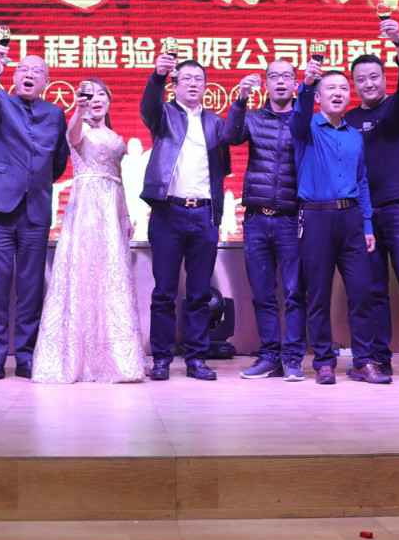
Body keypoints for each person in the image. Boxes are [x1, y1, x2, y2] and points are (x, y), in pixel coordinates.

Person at [0, 50, 70, 382]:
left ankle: (26, 356)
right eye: (23, 69)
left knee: (30, 289)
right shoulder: (0, 103)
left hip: (35, 210)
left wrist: (35, 183)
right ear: (14, 77)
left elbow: (59, 160)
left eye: (36, 71)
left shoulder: (55, 114)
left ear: (46, 82)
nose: (29, 74)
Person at [34, 79, 146, 383]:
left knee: (110, 276)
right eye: (90, 95)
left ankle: (112, 359)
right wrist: (78, 111)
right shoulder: (79, 128)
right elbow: (72, 137)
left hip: (112, 207)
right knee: (83, 272)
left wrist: (125, 215)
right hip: (86, 208)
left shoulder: (115, 136)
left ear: (109, 100)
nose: (96, 100)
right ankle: (75, 358)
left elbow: (118, 178)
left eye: (101, 95)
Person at [346, 19, 399, 383]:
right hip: (365, 214)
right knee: (374, 291)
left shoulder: (397, 106)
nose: (368, 84)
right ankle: (380, 360)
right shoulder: (348, 119)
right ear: (354, 84)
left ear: (384, 78)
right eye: (361, 79)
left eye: (374, 77)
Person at [141, 53, 232, 382]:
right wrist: (157, 76)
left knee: (199, 293)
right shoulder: (164, 115)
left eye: (199, 79)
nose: (193, 84)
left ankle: (196, 358)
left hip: (204, 213)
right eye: (187, 79)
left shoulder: (215, 122)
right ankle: (162, 358)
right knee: (164, 292)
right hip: (168, 212)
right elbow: (148, 107)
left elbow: (228, 152)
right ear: (175, 85)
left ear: (206, 86)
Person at [292, 60, 376, 386]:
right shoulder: (306, 128)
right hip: (316, 217)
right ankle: (324, 362)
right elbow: (300, 113)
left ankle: (363, 361)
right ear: (319, 97)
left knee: (362, 293)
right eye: (330, 88)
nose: (338, 93)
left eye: (343, 88)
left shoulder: (355, 136)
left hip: (351, 218)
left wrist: (367, 224)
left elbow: (362, 180)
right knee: (318, 294)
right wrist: (307, 84)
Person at [225, 60, 303, 380]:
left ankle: (293, 357)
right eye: (274, 77)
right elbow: (231, 136)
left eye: (287, 76)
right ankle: (270, 356)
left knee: (294, 292)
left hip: (291, 219)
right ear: (266, 84)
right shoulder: (254, 118)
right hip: (257, 218)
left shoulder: (304, 120)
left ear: (296, 83)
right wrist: (241, 99)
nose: (280, 82)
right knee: (262, 293)